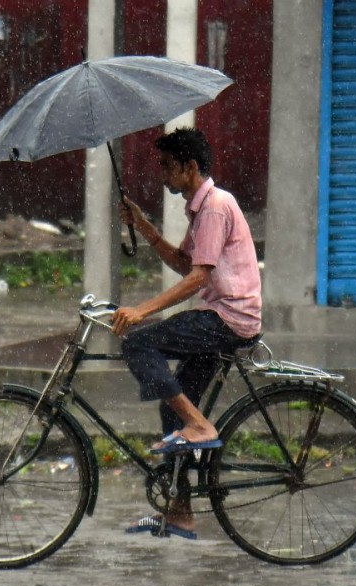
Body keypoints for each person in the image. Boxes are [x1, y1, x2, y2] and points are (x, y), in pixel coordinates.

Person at [113, 127, 261, 539]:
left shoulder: (214, 207)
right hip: (221, 314)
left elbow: (197, 278)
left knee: (139, 341)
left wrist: (142, 310)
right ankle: (181, 510)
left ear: (190, 167)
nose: (162, 174)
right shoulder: (203, 208)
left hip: (227, 318)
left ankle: (200, 425)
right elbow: (185, 262)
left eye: (167, 166)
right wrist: (143, 226)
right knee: (170, 401)